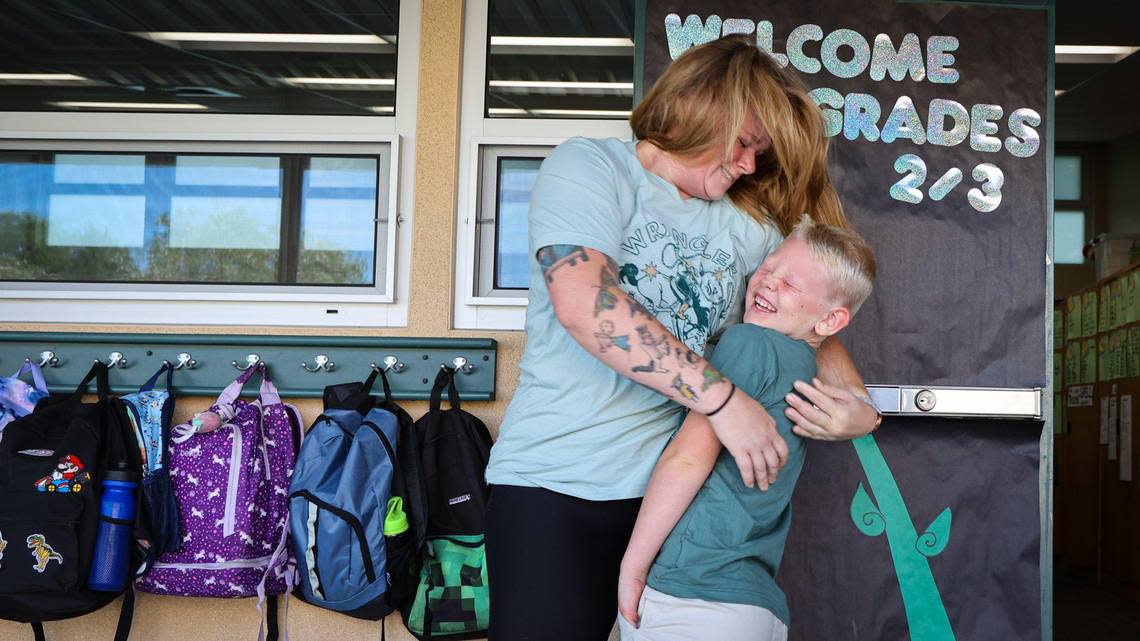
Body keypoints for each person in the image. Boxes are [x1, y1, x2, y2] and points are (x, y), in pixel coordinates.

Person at [484, 35, 882, 641]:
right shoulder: (592, 167)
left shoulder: (748, 225)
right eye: (745, 143)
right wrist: (723, 400)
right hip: (558, 484)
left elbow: (809, 322)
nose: (751, 164)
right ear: (703, 106)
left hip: (679, 506)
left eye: (760, 153)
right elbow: (585, 301)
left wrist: (859, 408)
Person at [616, 217, 876, 641]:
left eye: (790, 284)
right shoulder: (804, 367)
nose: (767, 283)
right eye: (768, 268)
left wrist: (633, 567)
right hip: (756, 606)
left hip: (693, 595)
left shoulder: (748, 345)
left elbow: (687, 458)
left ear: (830, 321)